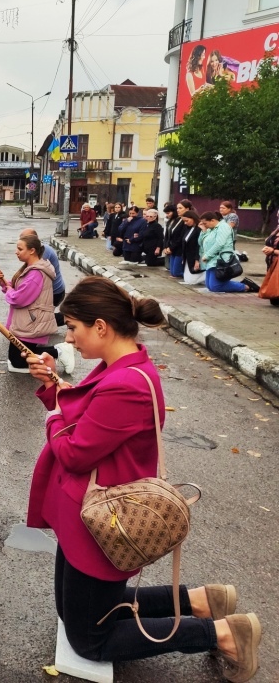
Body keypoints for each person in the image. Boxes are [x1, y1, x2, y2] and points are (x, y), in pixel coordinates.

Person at [24, 277, 262, 680]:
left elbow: (76, 451)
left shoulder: (127, 383)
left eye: (74, 329)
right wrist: (53, 388)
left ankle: (221, 632)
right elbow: (85, 418)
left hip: (101, 523)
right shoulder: (121, 366)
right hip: (83, 515)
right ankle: (202, 600)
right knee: (75, 611)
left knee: (90, 640)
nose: (70, 338)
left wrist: (52, 415)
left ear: (101, 327)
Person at [0, 233, 74, 375]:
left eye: (20, 249)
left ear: (32, 250)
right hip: (27, 321)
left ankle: (60, 351)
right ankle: (58, 352)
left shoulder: (35, 274)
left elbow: (19, 299)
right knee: (15, 360)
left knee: (17, 360)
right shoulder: (31, 269)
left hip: (31, 323)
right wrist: (4, 283)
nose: (16, 252)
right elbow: (19, 290)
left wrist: (8, 290)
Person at [199, 212, 257, 293]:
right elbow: (200, 242)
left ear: (212, 220)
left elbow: (219, 243)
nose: (204, 225)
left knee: (215, 286)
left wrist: (207, 255)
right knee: (209, 286)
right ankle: (236, 285)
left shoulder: (223, 227)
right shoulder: (211, 229)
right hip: (212, 260)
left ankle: (245, 286)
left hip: (221, 260)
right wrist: (203, 231)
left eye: (205, 223)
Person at [22, 227, 66, 327]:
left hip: (54, 292)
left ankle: (68, 317)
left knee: (39, 320)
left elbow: (35, 277)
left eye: (25, 238)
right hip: (49, 291)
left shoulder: (42, 253)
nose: (21, 241)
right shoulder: (34, 252)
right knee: (37, 318)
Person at [257, 209, 279, 306]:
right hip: (272, 264)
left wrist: (273, 251)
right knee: (273, 299)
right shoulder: (277, 229)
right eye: (278, 215)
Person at [179, 211, 205, 285]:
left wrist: (197, 260)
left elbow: (198, 245)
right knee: (187, 280)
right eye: (184, 221)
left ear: (193, 218)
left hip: (196, 255)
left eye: (187, 221)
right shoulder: (187, 228)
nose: (185, 223)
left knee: (192, 281)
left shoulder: (199, 229)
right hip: (188, 256)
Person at [163, 203, 186, 277]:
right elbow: (167, 235)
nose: (167, 215)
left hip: (178, 248)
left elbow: (180, 237)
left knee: (176, 272)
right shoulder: (170, 221)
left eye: (169, 213)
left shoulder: (182, 221)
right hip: (171, 248)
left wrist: (171, 247)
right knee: (172, 272)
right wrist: (166, 246)